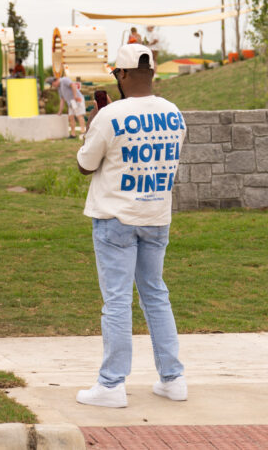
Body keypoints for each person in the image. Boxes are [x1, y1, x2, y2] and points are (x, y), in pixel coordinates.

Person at [74, 43, 188, 408]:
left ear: (121, 75)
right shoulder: (174, 114)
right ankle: (173, 378)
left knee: (117, 301)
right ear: (152, 73)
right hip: (157, 215)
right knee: (155, 293)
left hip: (115, 219)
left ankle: (111, 385)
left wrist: (95, 123)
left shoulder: (110, 116)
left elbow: (85, 165)